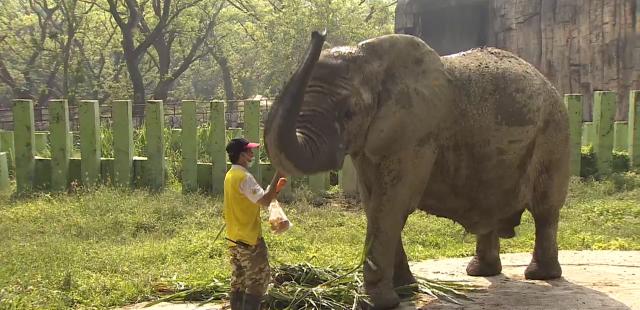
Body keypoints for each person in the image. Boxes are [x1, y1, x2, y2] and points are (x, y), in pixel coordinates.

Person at [223, 137, 285, 310]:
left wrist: (276, 189)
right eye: (249, 151)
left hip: (233, 238)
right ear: (242, 155)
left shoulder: (230, 175)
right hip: (249, 240)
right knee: (259, 280)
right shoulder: (245, 177)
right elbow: (265, 201)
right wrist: (279, 172)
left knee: (239, 281)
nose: (252, 154)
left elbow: (255, 199)